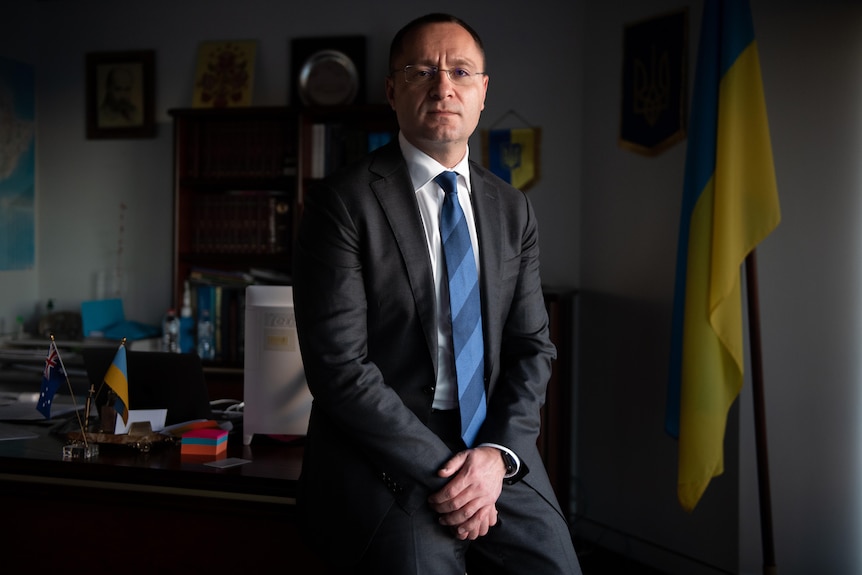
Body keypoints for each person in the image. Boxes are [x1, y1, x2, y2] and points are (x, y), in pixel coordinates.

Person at [293, 12, 582, 575]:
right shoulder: (342, 203)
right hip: (386, 450)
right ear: (392, 90)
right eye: (422, 70)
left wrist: (496, 458)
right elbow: (339, 369)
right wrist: (453, 473)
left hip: (492, 447)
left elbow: (532, 348)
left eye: (461, 72)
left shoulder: (511, 208)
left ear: (482, 91)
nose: (442, 85)